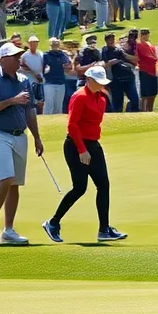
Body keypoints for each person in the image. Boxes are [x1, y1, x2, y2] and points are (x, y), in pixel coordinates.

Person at [42, 65, 127, 244]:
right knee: (80, 188)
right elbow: (72, 125)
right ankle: (53, 223)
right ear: (88, 80)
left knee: (103, 184)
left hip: (93, 144)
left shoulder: (101, 98)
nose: (101, 85)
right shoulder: (80, 96)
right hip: (75, 145)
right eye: (98, 82)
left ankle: (104, 229)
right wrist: (82, 150)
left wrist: (90, 147)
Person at [0, 41, 45, 245]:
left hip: (19, 135)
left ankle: (8, 230)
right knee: (7, 177)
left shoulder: (24, 80)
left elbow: (30, 111)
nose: (19, 59)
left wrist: (36, 137)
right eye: (15, 57)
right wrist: (11, 101)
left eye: (19, 56)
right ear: (3, 59)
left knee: (15, 183)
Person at [101, 32, 139, 113]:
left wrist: (122, 53)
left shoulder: (120, 49)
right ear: (106, 41)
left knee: (134, 99)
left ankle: (134, 114)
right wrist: (114, 61)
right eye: (109, 39)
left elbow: (134, 59)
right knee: (117, 103)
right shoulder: (105, 50)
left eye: (112, 38)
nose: (111, 40)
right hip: (116, 79)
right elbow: (106, 63)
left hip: (128, 77)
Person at [43, 38, 72, 116]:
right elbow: (42, 68)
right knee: (49, 104)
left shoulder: (61, 54)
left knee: (58, 105)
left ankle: (57, 120)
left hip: (60, 82)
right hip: (49, 82)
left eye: (56, 43)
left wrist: (66, 63)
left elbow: (68, 63)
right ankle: (47, 120)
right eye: (53, 44)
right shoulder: (46, 55)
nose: (55, 45)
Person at [134, 28, 158, 112]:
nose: (145, 36)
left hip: (153, 72)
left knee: (153, 93)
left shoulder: (151, 46)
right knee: (144, 95)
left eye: (146, 34)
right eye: (143, 34)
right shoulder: (138, 45)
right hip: (144, 71)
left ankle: (150, 111)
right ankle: (143, 111)